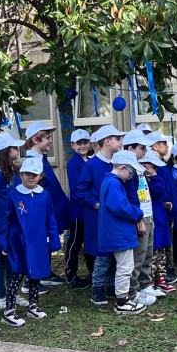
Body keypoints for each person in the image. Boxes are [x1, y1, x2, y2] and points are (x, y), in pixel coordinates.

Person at [2, 156, 61, 327]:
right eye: (27, 174)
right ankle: (9, 310)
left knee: (36, 275)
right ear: (21, 174)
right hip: (18, 243)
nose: (30, 177)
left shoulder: (44, 195)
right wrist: (2, 243)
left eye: (34, 174)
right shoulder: (13, 194)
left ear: (40, 176)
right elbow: (5, 220)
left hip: (38, 242)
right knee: (17, 275)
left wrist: (54, 239)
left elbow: (50, 218)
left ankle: (33, 306)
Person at [77, 124, 126, 306]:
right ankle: (97, 289)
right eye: (117, 139)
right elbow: (80, 191)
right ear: (107, 141)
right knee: (102, 254)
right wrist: (96, 203)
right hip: (97, 218)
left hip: (114, 217)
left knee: (115, 251)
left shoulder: (116, 163)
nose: (121, 142)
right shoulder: (92, 165)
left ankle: (112, 285)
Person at [96, 151, 148, 315]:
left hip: (118, 233)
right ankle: (122, 302)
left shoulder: (110, 182)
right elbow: (119, 206)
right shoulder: (113, 184)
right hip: (119, 233)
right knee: (125, 267)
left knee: (125, 266)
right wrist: (137, 213)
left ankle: (123, 299)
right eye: (131, 173)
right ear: (123, 168)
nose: (131, 177)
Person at [21, 120, 69, 287]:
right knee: (37, 243)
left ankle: (44, 273)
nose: (50, 140)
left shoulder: (41, 159)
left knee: (46, 241)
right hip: (38, 212)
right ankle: (32, 279)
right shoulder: (33, 163)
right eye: (47, 137)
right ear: (35, 139)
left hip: (48, 209)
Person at [0, 131, 25, 312]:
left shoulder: (10, 174)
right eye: (14, 148)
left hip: (10, 225)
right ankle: (0, 295)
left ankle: (11, 293)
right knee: (1, 260)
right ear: (5, 151)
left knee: (10, 260)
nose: (17, 150)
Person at [122, 130, 163, 304]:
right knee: (138, 256)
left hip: (148, 213)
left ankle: (145, 284)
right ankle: (133, 290)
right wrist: (138, 219)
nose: (145, 151)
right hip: (139, 217)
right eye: (141, 148)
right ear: (130, 148)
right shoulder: (126, 167)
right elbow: (129, 197)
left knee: (148, 252)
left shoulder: (139, 166)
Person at [148, 132, 177, 284]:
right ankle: (162, 273)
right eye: (164, 143)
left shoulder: (162, 163)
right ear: (155, 146)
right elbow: (160, 188)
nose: (168, 146)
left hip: (166, 208)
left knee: (165, 242)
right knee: (159, 243)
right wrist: (165, 201)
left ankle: (167, 270)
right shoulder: (152, 166)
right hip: (160, 209)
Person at [142, 150, 177, 294]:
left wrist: (165, 202)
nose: (155, 170)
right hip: (152, 218)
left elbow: (160, 193)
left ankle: (161, 279)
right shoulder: (146, 180)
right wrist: (154, 176)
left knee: (161, 250)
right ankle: (151, 280)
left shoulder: (152, 179)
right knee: (153, 252)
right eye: (152, 167)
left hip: (160, 217)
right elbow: (158, 189)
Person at [64, 128, 92, 288]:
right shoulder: (73, 163)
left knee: (88, 241)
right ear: (73, 145)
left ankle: (91, 271)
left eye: (85, 142)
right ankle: (70, 274)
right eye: (79, 143)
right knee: (75, 243)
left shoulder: (89, 161)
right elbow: (77, 188)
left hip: (88, 210)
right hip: (78, 209)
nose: (82, 146)